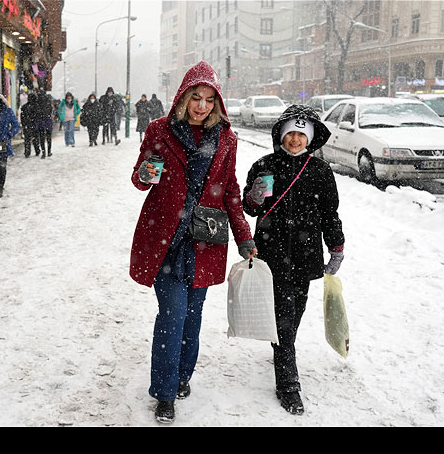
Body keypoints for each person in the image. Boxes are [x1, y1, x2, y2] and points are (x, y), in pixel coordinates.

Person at [130, 61, 257, 424]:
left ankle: (182, 376)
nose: (201, 105)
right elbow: (141, 182)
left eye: (208, 99)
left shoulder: (227, 139)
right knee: (172, 314)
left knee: (193, 315)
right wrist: (148, 168)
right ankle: (165, 392)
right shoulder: (159, 130)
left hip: (205, 241)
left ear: (217, 103)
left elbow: (231, 190)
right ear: (183, 98)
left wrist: (244, 238)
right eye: (195, 97)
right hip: (165, 239)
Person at [242, 104, 345, 416]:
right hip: (271, 252)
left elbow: (330, 213)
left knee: (295, 310)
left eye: (302, 134)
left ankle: (282, 345)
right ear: (282, 135)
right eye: (291, 134)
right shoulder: (265, 165)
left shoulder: (320, 171)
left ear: (310, 138)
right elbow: (251, 207)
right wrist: (256, 195)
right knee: (284, 313)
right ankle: (288, 382)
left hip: (305, 254)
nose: (296, 140)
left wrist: (336, 246)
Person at [21, 92, 41, 157]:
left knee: (27, 139)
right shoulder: (37, 106)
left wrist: (24, 124)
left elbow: (22, 117)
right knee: (35, 139)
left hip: (27, 125)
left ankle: (27, 152)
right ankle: (37, 150)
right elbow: (39, 117)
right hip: (34, 125)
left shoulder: (24, 107)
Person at [37, 91, 54, 157]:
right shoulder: (48, 102)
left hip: (41, 121)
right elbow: (50, 111)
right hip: (48, 121)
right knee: (49, 137)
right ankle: (49, 152)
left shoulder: (38, 102)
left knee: (41, 138)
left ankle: (43, 153)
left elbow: (37, 112)